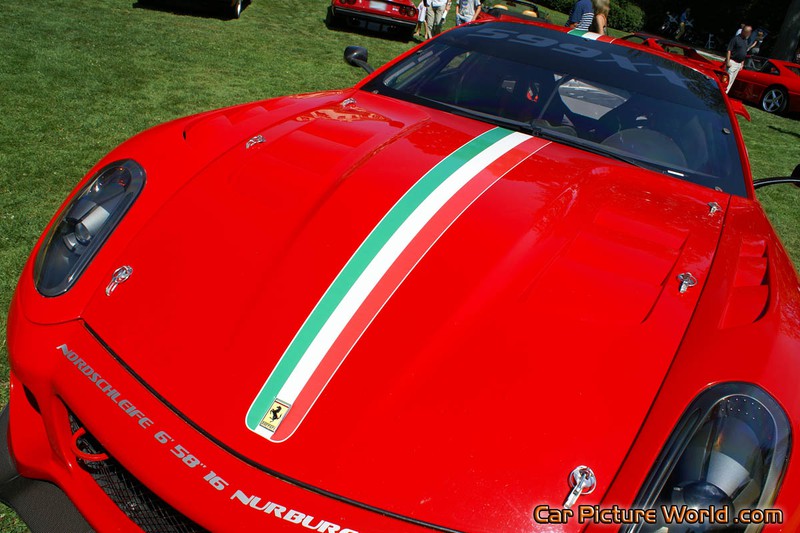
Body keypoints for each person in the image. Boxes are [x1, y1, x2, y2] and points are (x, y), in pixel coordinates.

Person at [725, 25, 752, 93]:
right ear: (744, 32)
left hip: (738, 64)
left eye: (749, 32)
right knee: (727, 80)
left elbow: (744, 52)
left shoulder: (745, 41)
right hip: (732, 62)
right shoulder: (735, 39)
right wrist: (728, 61)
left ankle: (726, 94)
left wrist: (742, 63)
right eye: (747, 32)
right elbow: (729, 50)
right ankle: (722, 94)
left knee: (731, 82)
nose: (749, 34)